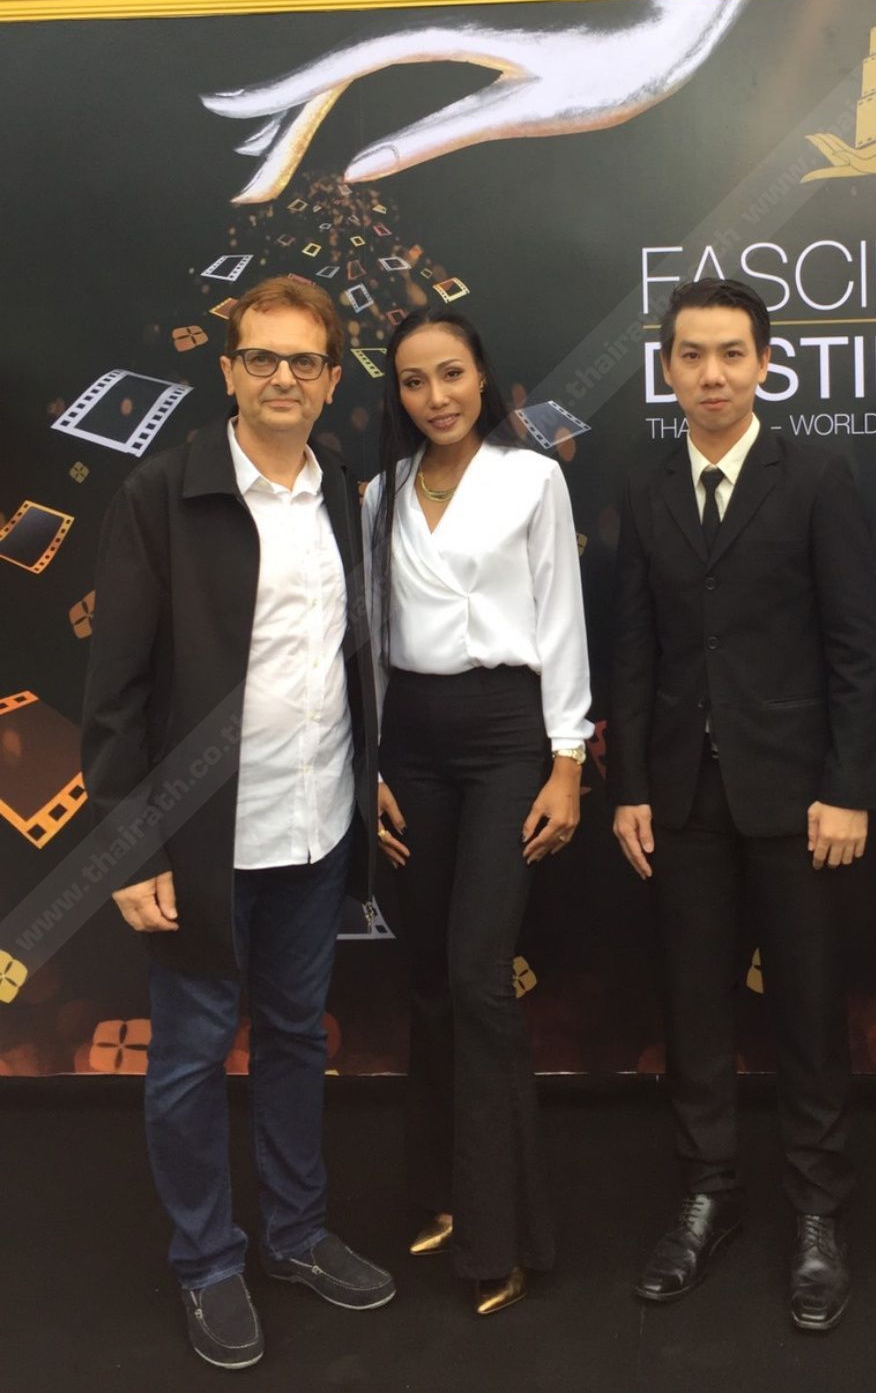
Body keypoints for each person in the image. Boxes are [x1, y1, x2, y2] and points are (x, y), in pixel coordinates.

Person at [82, 277, 393, 1372]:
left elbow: (344, 659)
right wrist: (129, 843)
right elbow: (115, 691)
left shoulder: (338, 488)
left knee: (298, 1038)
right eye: (260, 357)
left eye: (303, 361)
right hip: (202, 843)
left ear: (331, 378)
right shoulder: (160, 493)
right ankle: (208, 1263)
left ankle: (295, 1236)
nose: (281, 378)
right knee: (189, 1058)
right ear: (227, 371)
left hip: (315, 827)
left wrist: (366, 776)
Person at [609, 277, 876, 1332]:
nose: (712, 374)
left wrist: (847, 786)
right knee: (694, 1007)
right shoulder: (645, 486)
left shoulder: (816, 475)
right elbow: (632, 650)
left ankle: (818, 1211)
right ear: (667, 369)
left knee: (809, 1009)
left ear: (765, 364)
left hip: (798, 796)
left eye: (732, 353)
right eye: (692, 355)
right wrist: (629, 787)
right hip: (681, 796)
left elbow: (856, 644)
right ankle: (707, 1193)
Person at [364, 307, 592, 1316]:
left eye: (450, 374)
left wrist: (566, 760)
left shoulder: (531, 478)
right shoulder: (380, 494)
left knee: (478, 978)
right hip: (408, 746)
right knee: (427, 981)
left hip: (507, 737)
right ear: (397, 394)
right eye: (414, 381)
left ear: (483, 377)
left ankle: (505, 1232)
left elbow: (562, 619)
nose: (436, 397)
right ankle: (441, 1193)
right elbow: (370, 639)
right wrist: (368, 761)